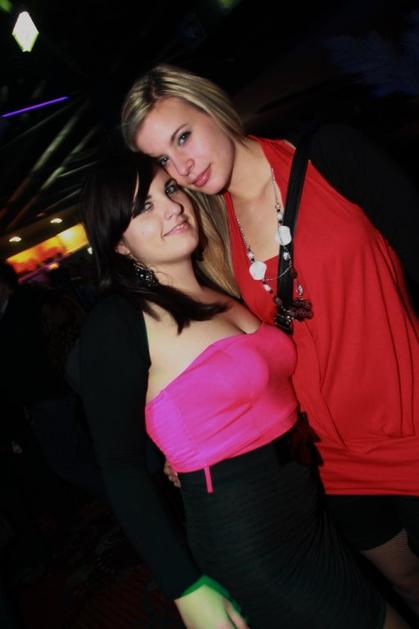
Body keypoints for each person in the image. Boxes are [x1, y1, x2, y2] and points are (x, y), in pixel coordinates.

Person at [121, 63, 419, 617]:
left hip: (410, 419)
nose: (183, 167)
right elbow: (231, 356)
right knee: (405, 582)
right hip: (329, 457)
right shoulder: (209, 239)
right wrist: (184, 444)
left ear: (212, 107)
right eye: (163, 160)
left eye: (183, 137)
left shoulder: (329, 155)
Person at [66, 148, 409, 628]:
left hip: (310, 509)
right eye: (144, 207)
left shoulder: (221, 285)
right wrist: (183, 586)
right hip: (250, 538)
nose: (173, 207)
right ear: (118, 243)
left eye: (170, 189)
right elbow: (120, 467)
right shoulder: (121, 320)